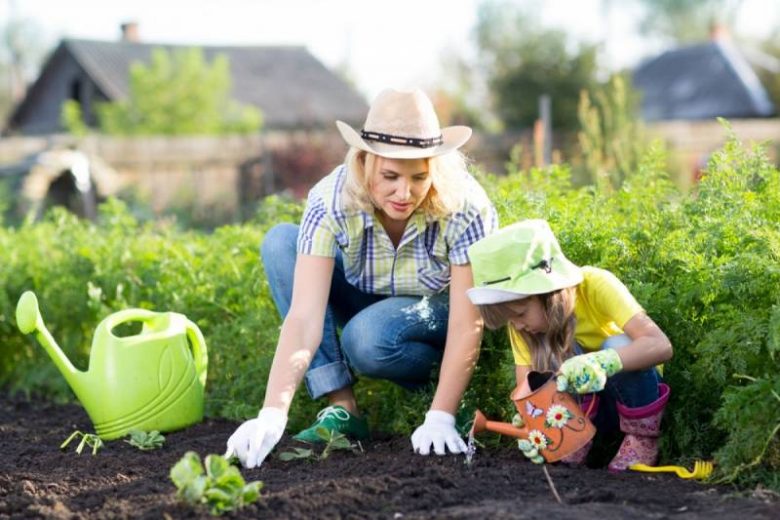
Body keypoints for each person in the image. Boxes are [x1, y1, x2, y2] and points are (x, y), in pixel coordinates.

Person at [225, 88, 498, 468]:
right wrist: (272, 412)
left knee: (367, 338)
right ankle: (344, 410)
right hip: (365, 295)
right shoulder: (330, 200)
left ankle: (445, 392)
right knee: (280, 242)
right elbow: (304, 318)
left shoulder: (464, 205)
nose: (404, 193)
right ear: (365, 161)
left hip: (437, 310)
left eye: (419, 177)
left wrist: (442, 415)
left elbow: (470, 320)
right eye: (390, 176)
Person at [465, 219, 673, 471]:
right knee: (549, 354)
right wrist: (535, 423)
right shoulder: (523, 326)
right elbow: (526, 387)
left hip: (630, 397)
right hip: (582, 414)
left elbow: (660, 345)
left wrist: (602, 360)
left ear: (547, 292)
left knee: (617, 342)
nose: (517, 326)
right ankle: (575, 441)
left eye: (520, 314)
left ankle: (642, 439)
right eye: (511, 319)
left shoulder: (595, 285)